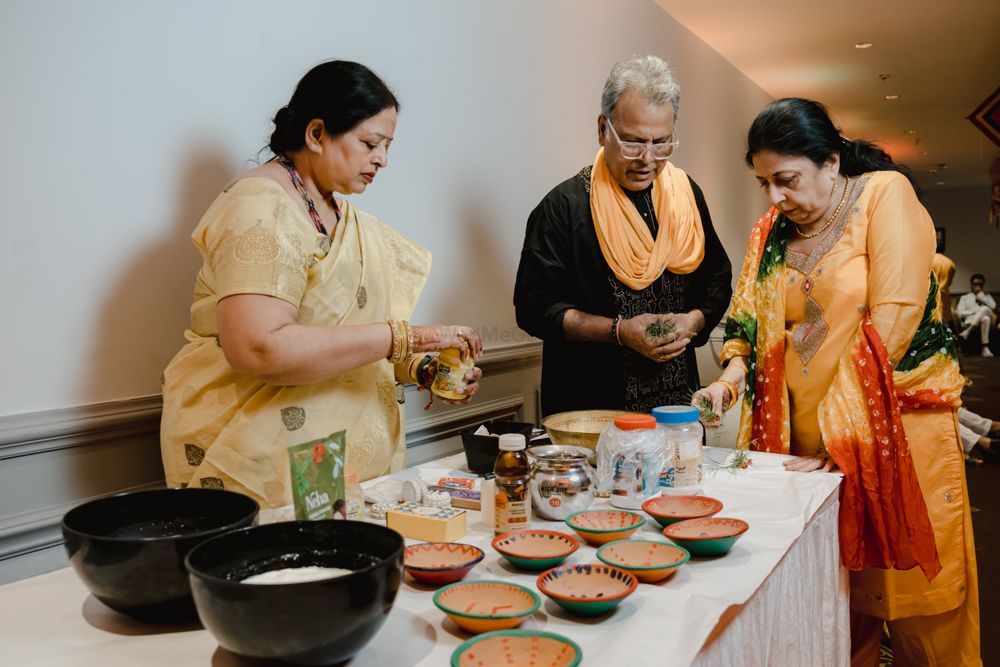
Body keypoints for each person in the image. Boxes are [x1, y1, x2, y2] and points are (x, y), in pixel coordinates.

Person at [694, 98, 980, 665]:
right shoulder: (771, 230)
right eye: (763, 183)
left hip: (892, 436)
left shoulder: (882, 196)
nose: (775, 197)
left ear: (830, 162)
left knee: (916, 605)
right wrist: (729, 378)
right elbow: (750, 320)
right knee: (836, 606)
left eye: (786, 179)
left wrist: (843, 433)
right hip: (805, 455)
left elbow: (894, 317)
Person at [160, 61, 483, 508]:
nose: (382, 160)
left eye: (388, 146)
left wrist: (423, 367)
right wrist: (412, 336)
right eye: (371, 143)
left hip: (325, 458)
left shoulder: (338, 212)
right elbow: (259, 347)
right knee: (286, 575)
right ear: (316, 134)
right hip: (255, 455)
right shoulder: (261, 207)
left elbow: (346, 342)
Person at [513, 55, 732, 416]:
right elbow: (534, 309)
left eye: (661, 143)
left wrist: (693, 320)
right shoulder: (562, 208)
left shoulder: (686, 195)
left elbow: (717, 280)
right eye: (632, 142)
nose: (648, 159)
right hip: (592, 412)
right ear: (603, 129)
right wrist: (618, 331)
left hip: (677, 409)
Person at [956, 273, 996, 357]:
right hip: (971, 320)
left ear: (983, 285)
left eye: (980, 284)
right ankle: (985, 348)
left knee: (985, 309)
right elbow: (960, 314)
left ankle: (967, 332)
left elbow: (993, 307)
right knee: (985, 318)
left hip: (991, 321)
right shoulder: (964, 297)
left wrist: (981, 297)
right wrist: (975, 311)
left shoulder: (987, 296)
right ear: (971, 285)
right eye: (975, 284)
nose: (977, 286)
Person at [930, 252, 956, 330]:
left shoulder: (929, 260)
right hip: (944, 297)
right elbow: (950, 282)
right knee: (944, 325)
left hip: (931, 295)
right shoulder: (950, 263)